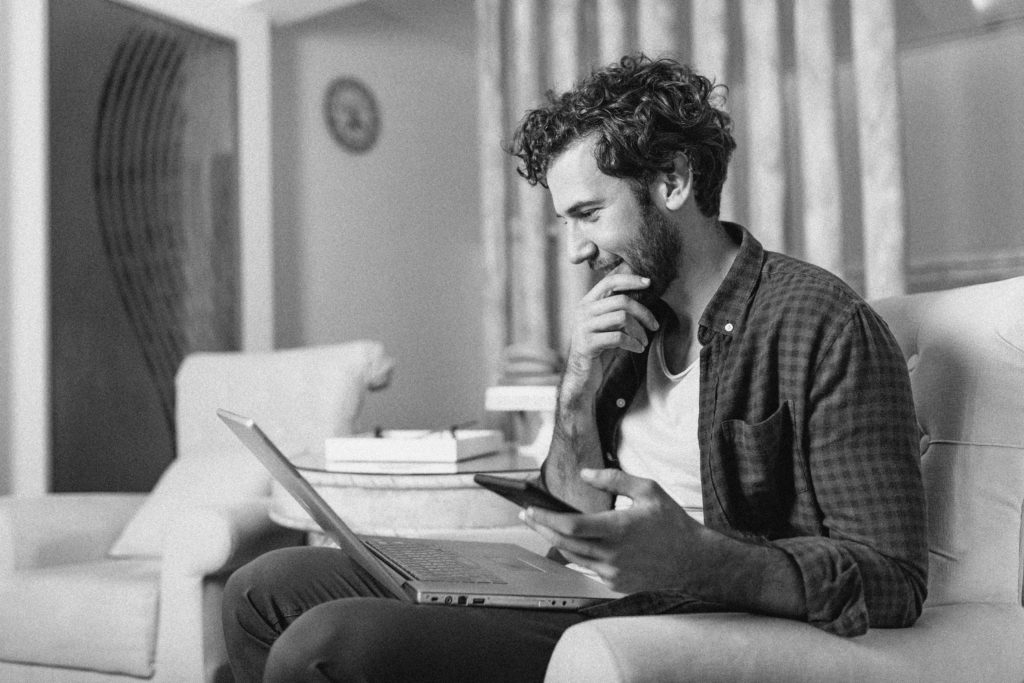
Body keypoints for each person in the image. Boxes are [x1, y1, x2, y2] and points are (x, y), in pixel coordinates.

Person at [222, 54, 927, 682]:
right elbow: (574, 504)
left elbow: (893, 578)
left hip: (673, 607)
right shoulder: (623, 316)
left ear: (674, 180)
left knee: (327, 645)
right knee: (263, 586)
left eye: (589, 213)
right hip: (566, 579)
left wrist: (697, 558)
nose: (575, 251)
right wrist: (578, 386)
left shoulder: (823, 323)